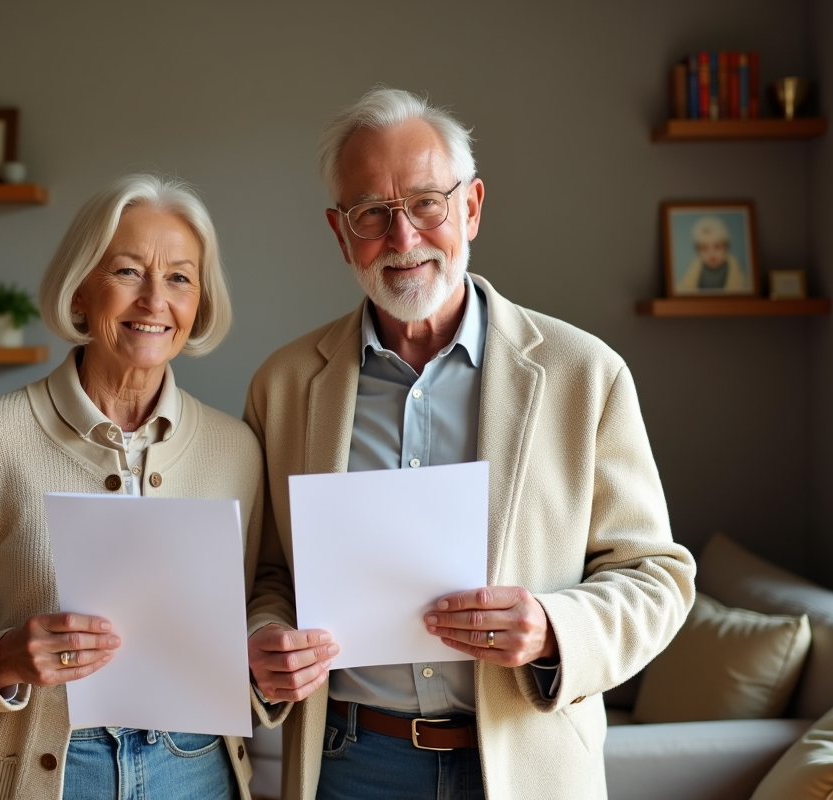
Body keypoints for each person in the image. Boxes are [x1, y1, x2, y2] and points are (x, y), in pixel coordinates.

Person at [242, 87, 696, 800]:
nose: (403, 239)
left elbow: (657, 576)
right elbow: (267, 572)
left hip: (526, 759)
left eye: (427, 202)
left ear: (472, 208)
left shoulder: (586, 374)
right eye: (373, 214)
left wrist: (553, 628)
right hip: (350, 762)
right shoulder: (284, 385)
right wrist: (265, 640)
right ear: (340, 231)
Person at [0, 173, 264, 800]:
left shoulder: (237, 449)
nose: (154, 300)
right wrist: (4, 659)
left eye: (179, 277)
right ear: (81, 289)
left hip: (194, 768)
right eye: (126, 272)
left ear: (199, 301)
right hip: (37, 773)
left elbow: (256, 608)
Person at [676, 215, 749, 292]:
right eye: (704, 248)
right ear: (697, 251)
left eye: (717, 247)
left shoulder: (735, 272)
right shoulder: (694, 271)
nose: (711, 253)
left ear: (727, 247)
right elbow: (685, 289)